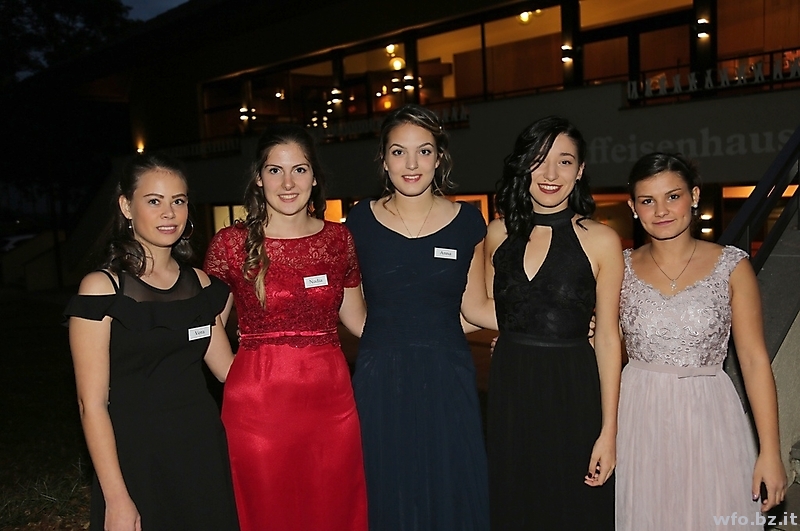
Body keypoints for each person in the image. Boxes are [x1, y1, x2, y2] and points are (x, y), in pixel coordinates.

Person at [203, 124, 368, 531]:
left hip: (331, 405)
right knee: (267, 512)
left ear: (315, 177)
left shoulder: (339, 240)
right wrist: (232, 375)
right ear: (259, 178)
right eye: (275, 170)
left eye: (300, 169)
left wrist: (434, 328)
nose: (288, 183)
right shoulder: (231, 243)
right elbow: (207, 321)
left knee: (333, 509)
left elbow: (358, 320)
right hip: (257, 408)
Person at [65, 153, 239, 531]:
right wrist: (116, 498)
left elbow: (228, 370)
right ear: (127, 206)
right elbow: (91, 404)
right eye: (154, 201)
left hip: (202, 450)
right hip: (138, 457)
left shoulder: (201, 283)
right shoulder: (102, 289)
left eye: (178, 201)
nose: (169, 213)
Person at [616, 152, 787, 530]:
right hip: (639, 418)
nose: (661, 210)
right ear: (633, 208)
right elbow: (602, 343)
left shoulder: (732, 266)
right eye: (648, 200)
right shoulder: (619, 267)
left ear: (694, 196)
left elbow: (754, 361)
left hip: (710, 414)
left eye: (673, 196)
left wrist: (770, 452)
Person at [345, 104, 495, 530]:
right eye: (399, 152)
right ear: (383, 159)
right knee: (385, 484)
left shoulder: (468, 223)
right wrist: (393, 339)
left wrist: (556, 321)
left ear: (439, 157)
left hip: (447, 374)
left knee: (450, 483)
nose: (411, 164)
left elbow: (476, 308)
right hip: (380, 376)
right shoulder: (359, 221)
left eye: (424, 151)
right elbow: (352, 312)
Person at [485, 115, 622, 530]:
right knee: (515, 503)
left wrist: (609, 432)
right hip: (511, 388)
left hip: (572, 389)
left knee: (573, 508)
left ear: (580, 171)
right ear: (523, 165)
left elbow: (608, 337)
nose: (550, 174)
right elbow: (489, 307)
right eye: (539, 159)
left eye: (564, 161)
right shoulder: (497, 233)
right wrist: (514, 334)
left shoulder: (601, 240)